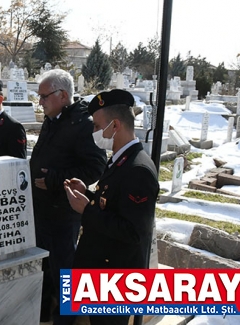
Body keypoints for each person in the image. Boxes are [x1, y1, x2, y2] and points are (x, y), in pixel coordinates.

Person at [64, 89, 160, 325]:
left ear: (115, 125)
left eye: (97, 127)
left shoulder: (138, 169)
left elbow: (132, 231)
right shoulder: (121, 158)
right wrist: (87, 193)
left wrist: (86, 210)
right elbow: (114, 204)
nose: (94, 133)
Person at [30, 70, 106, 324]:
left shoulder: (83, 124)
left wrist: (55, 179)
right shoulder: (53, 118)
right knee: (45, 268)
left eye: (44, 96)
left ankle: (65, 319)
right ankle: (43, 314)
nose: (40, 102)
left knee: (65, 270)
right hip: (41, 208)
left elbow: (96, 168)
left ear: (63, 95)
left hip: (62, 212)